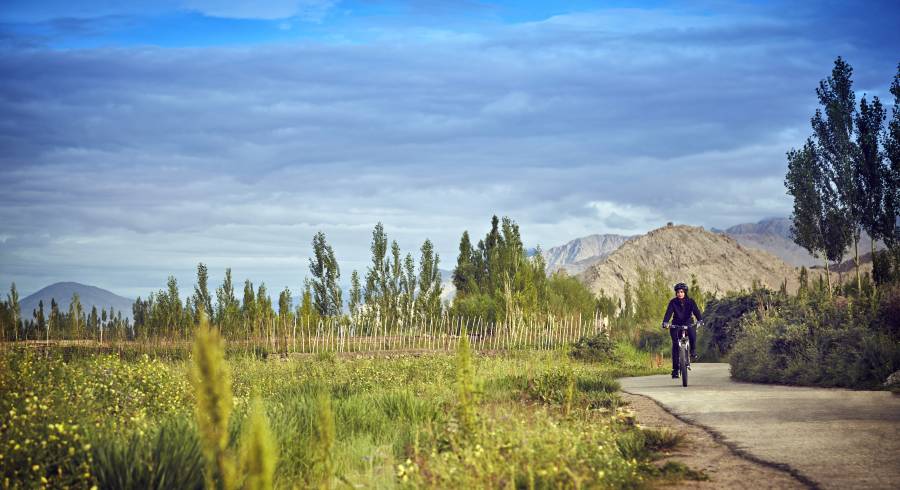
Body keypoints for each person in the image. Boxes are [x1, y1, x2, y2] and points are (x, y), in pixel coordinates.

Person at [661, 282, 702, 378]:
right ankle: (675, 369)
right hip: (676, 324)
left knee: (692, 333)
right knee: (675, 344)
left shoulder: (691, 301)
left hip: (688, 322)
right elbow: (668, 313)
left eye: (681, 292)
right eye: (678, 292)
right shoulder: (673, 302)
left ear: (685, 292)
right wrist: (665, 322)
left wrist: (700, 320)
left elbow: (696, 311)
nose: (679, 294)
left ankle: (693, 351)